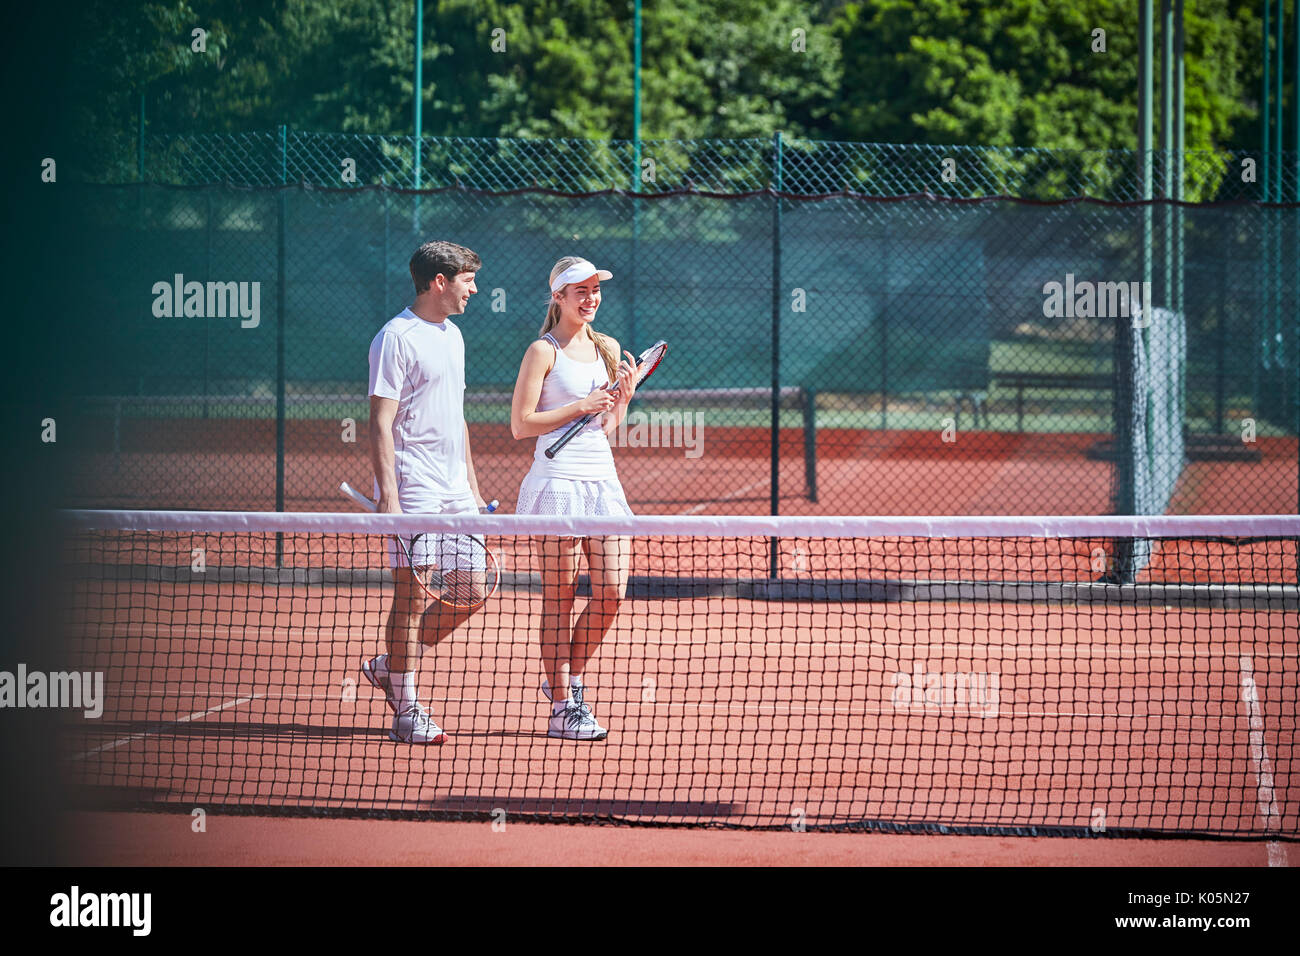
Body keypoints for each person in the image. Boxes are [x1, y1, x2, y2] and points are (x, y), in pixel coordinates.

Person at [360, 240, 490, 745]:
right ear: (440, 281)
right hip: (413, 485)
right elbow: (380, 419)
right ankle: (407, 706)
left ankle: (388, 667)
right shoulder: (395, 338)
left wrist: (474, 489)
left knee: (471, 591)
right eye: (467, 279)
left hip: (456, 488)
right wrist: (389, 497)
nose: (474, 289)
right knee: (412, 597)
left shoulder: (454, 336)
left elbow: (456, 418)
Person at [510, 256, 638, 741]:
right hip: (556, 485)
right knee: (559, 599)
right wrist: (579, 405)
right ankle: (565, 703)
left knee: (611, 591)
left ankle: (565, 678)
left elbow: (604, 429)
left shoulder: (607, 347)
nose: (590, 298)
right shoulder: (542, 352)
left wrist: (620, 401)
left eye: (594, 289)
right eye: (578, 291)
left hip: (601, 482)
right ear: (558, 297)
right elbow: (521, 425)